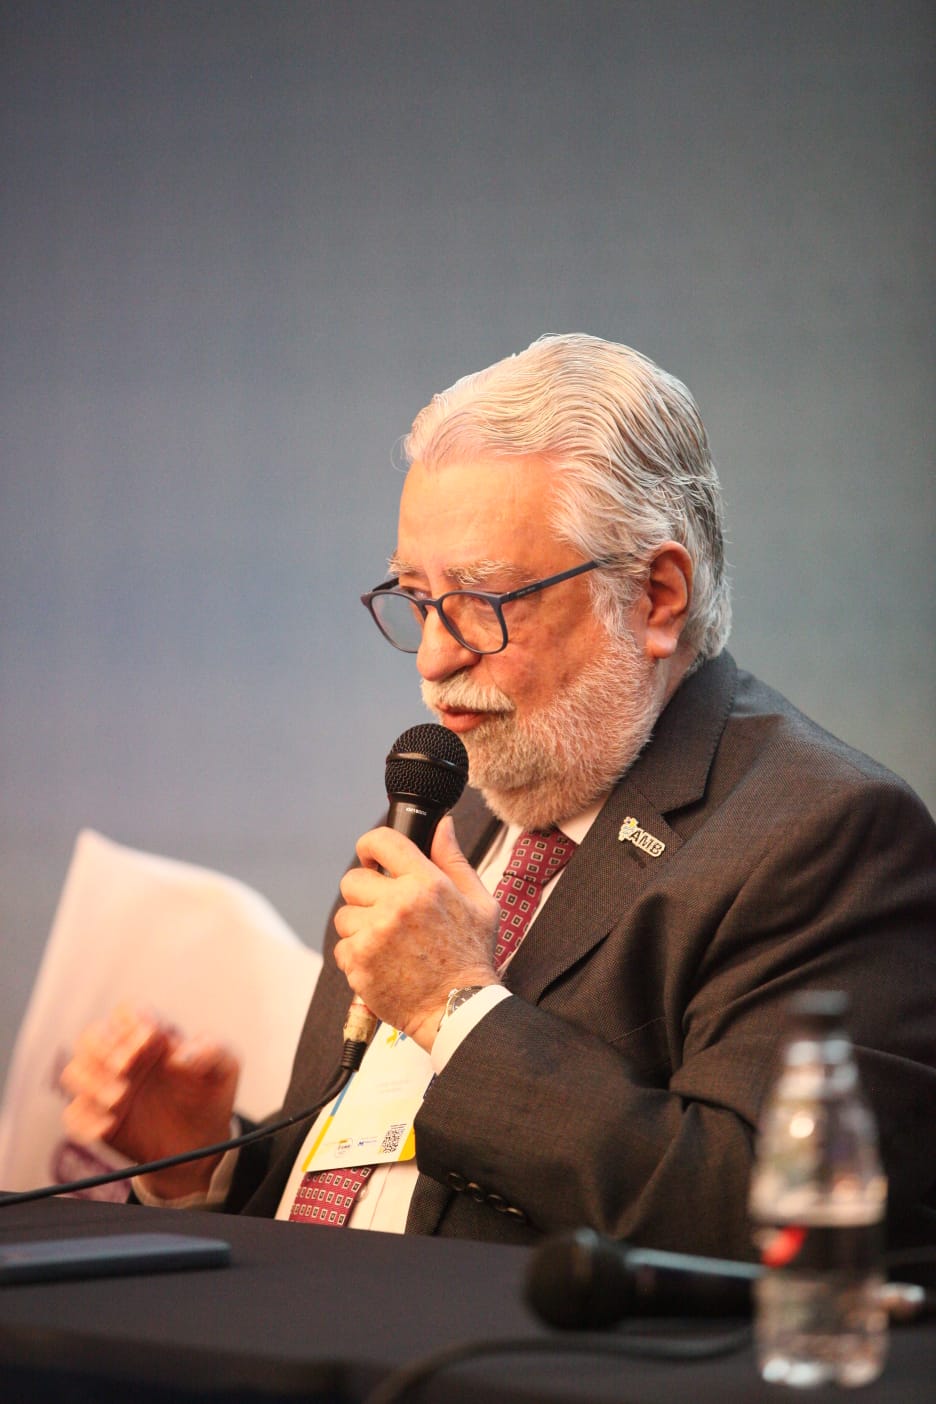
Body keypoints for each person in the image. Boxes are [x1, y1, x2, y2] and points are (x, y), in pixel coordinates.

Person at [61, 333, 936, 1257]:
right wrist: (203, 1168)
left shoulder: (824, 835)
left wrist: (455, 1008)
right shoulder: (444, 814)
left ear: (655, 596)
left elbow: (779, 1220)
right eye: (416, 598)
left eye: (483, 602)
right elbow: (373, 1187)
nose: (435, 660)